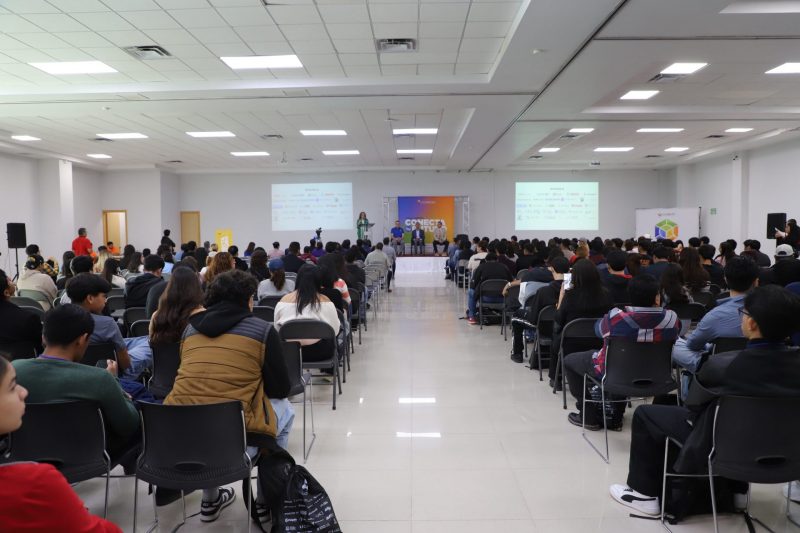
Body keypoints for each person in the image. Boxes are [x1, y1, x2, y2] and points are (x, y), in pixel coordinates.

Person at [610, 285, 800, 516]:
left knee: (646, 415)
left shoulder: (722, 366)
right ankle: (738, 493)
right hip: (789, 452)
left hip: (725, 445)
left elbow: (693, 405)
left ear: (751, 323)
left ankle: (644, 494)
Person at [165, 270, 293, 523]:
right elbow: (280, 389)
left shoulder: (190, 329)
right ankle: (265, 501)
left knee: (206, 406)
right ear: (248, 299)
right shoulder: (262, 331)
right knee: (285, 410)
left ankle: (210, 499)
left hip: (177, 439)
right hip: (235, 442)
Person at [0, 355, 124, 532]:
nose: (23, 392)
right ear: (82, 341)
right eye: (12, 386)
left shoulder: (19, 365)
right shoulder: (35, 483)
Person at [13, 304, 141, 471]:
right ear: (82, 339)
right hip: (88, 458)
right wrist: (115, 382)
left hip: (25, 457)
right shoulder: (101, 379)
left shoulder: (14, 370)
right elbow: (128, 426)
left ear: (44, 337)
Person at [563, 274, 680, 430]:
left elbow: (598, 330)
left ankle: (588, 416)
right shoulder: (672, 319)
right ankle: (616, 417)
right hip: (660, 378)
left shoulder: (616, 318)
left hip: (617, 374)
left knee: (570, 361)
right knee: (625, 362)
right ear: (657, 298)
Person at [672, 257, 759, 386]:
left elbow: (693, 345)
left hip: (719, 371)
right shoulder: (770, 309)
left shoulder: (715, 315)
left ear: (726, 279)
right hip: (758, 367)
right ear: (756, 281)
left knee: (675, 344)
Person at [550, 259, 615, 385]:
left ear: (575, 277)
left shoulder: (570, 296)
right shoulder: (606, 295)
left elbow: (558, 320)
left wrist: (561, 298)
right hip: (600, 341)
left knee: (555, 335)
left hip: (571, 343)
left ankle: (556, 378)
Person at [275, 266, 341, 364]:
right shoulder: (326, 302)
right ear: (318, 281)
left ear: (297, 280)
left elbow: (277, 330)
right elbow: (335, 330)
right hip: (321, 353)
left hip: (289, 353)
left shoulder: (283, 301)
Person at [509, 257, 570, 363]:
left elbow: (534, 318)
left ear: (551, 269)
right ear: (568, 270)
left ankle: (517, 354)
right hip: (567, 326)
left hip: (544, 326)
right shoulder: (573, 289)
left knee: (516, 317)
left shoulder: (544, 291)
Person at [0, 268, 43, 354]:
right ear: (6, 292)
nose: (11, 280)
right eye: (8, 280)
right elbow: (40, 349)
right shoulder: (29, 319)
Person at [467, 253, 512, 326]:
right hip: (502, 298)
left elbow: (473, 284)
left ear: (486, 260)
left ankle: (472, 317)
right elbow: (511, 283)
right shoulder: (504, 267)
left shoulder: (481, 267)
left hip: (486, 298)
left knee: (471, 291)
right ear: (497, 260)